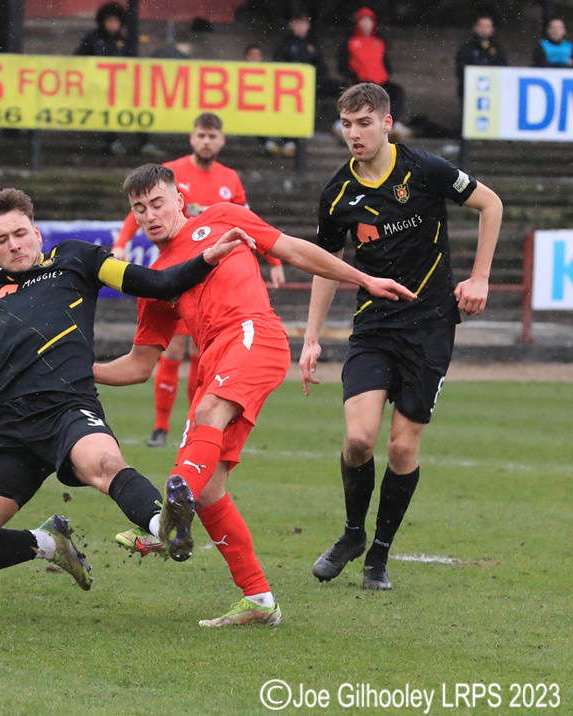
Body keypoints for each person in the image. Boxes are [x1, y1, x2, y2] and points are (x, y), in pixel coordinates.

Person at [94, 163, 415, 627]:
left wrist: (362, 280)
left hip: (253, 335)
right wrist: (82, 372)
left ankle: (164, 524)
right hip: (214, 363)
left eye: (157, 203)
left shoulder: (223, 216)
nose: (149, 215)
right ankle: (259, 600)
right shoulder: (157, 278)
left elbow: (295, 250)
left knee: (207, 413)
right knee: (208, 491)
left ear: (180, 199)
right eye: (138, 209)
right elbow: (140, 365)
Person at [0, 177, 244, 591]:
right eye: (2, 240)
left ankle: (164, 526)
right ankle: (48, 542)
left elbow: (155, 283)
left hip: (69, 410)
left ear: (37, 233)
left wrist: (206, 258)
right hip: (10, 429)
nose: (15, 244)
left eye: (21, 233)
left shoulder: (79, 259)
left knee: (106, 465)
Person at [300, 83, 502, 591]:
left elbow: (491, 204)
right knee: (358, 439)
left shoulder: (426, 170)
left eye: (364, 122)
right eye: (346, 124)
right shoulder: (338, 196)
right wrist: (310, 337)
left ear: (387, 123)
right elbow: (327, 267)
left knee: (403, 450)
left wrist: (478, 278)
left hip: (431, 327)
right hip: (373, 326)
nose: (354, 134)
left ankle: (379, 558)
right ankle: (351, 535)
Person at [111, 113, 285, 449]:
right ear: (192, 139)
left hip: (212, 274)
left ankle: (193, 424)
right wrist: (121, 244)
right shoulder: (169, 175)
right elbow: (139, 213)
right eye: (201, 135)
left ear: (221, 141)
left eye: (212, 136)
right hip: (180, 269)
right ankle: (160, 426)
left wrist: (273, 260)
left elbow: (251, 224)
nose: (206, 141)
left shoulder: (230, 179)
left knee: (200, 353)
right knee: (172, 348)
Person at [75, 2, 163, 158]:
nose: (113, 25)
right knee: (107, 112)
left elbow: (131, 62)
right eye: (110, 21)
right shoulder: (92, 38)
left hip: (121, 87)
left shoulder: (123, 40)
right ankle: (112, 142)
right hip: (98, 88)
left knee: (136, 109)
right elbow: (79, 60)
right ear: (103, 21)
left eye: (116, 21)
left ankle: (145, 142)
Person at [271, 6, 345, 144]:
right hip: (291, 89)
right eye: (298, 22)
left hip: (314, 84)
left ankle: (340, 123)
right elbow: (278, 67)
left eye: (304, 23)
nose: (301, 26)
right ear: (291, 24)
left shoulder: (313, 44)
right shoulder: (284, 44)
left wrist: (315, 80)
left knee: (343, 88)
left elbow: (322, 67)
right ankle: (289, 138)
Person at [337, 7, 410, 140]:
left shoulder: (379, 43)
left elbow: (386, 65)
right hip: (359, 83)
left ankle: (393, 123)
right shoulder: (350, 42)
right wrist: (355, 75)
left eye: (369, 20)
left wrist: (382, 76)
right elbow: (342, 66)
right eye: (363, 20)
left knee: (398, 92)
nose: (366, 24)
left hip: (380, 83)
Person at [455, 12, 508, 99]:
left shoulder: (498, 50)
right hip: (472, 92)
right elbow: (461, 70)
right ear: (475, 28)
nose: (484, 30)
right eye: (482, 26)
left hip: (493, 92)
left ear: (492, 29)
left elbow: (503, 67)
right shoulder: (467, 49)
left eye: (487, 27)